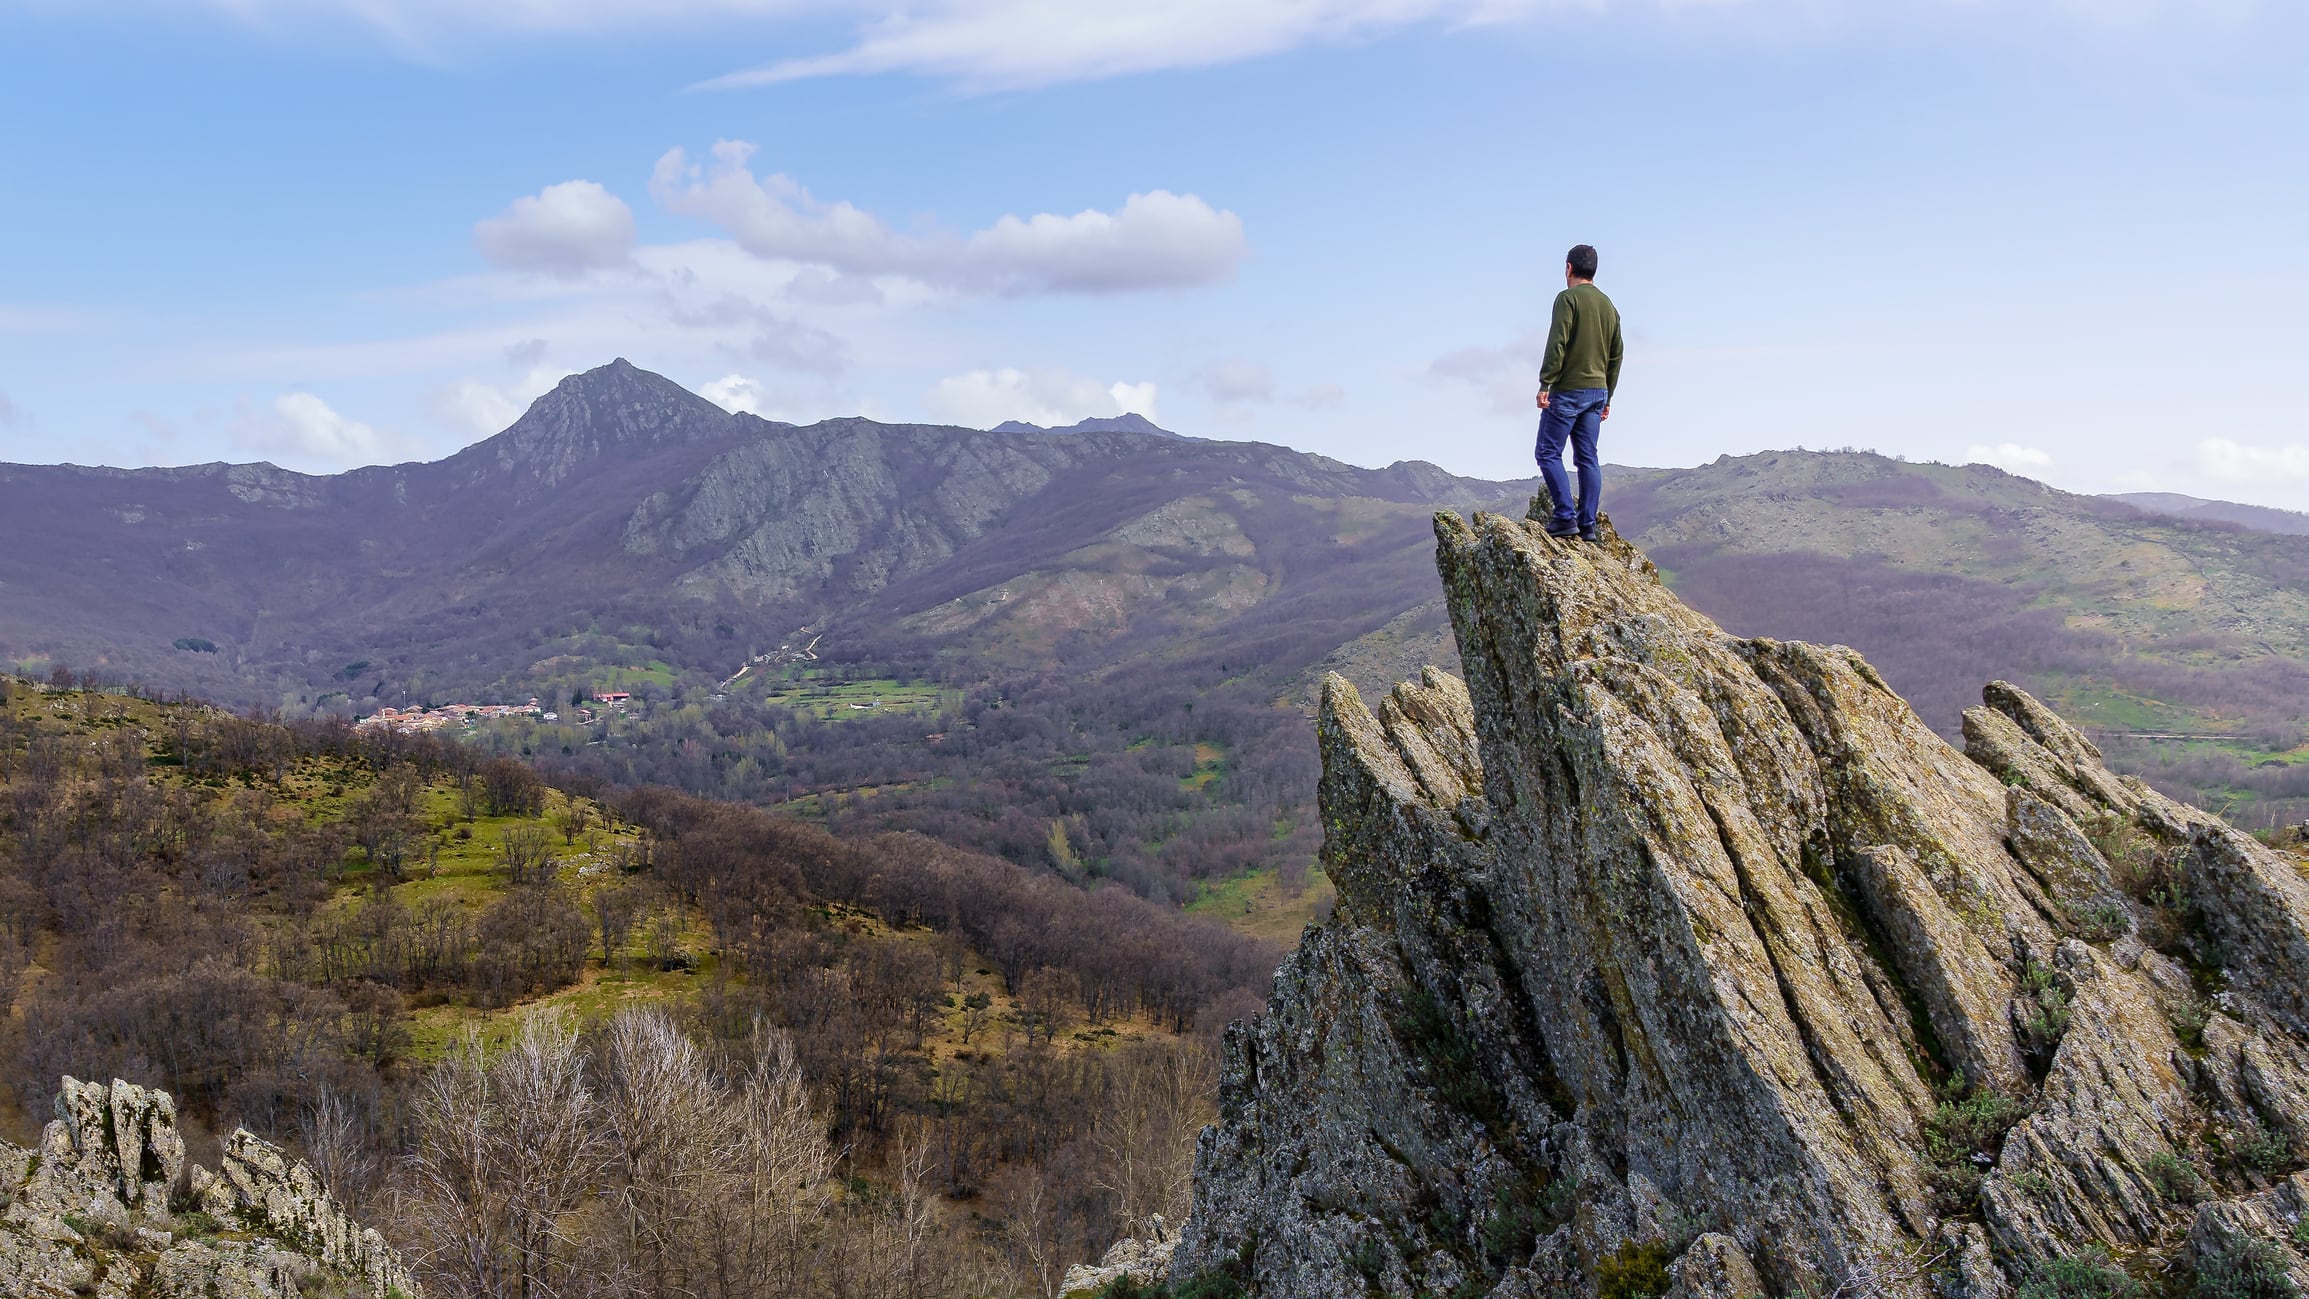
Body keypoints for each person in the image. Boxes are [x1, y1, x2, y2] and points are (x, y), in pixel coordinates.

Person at [1534, 244, 1624, 541]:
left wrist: (1546, 383)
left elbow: (1557, 343)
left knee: (1547, 452)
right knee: (1587, 458)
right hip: (1597, 391)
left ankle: (1565, 517)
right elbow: (1616, 355)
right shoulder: (1608, 305)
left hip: (1569, 389)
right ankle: (1588, 525)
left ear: (1569, 268)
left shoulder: (1567, 299)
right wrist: (1607, 396)